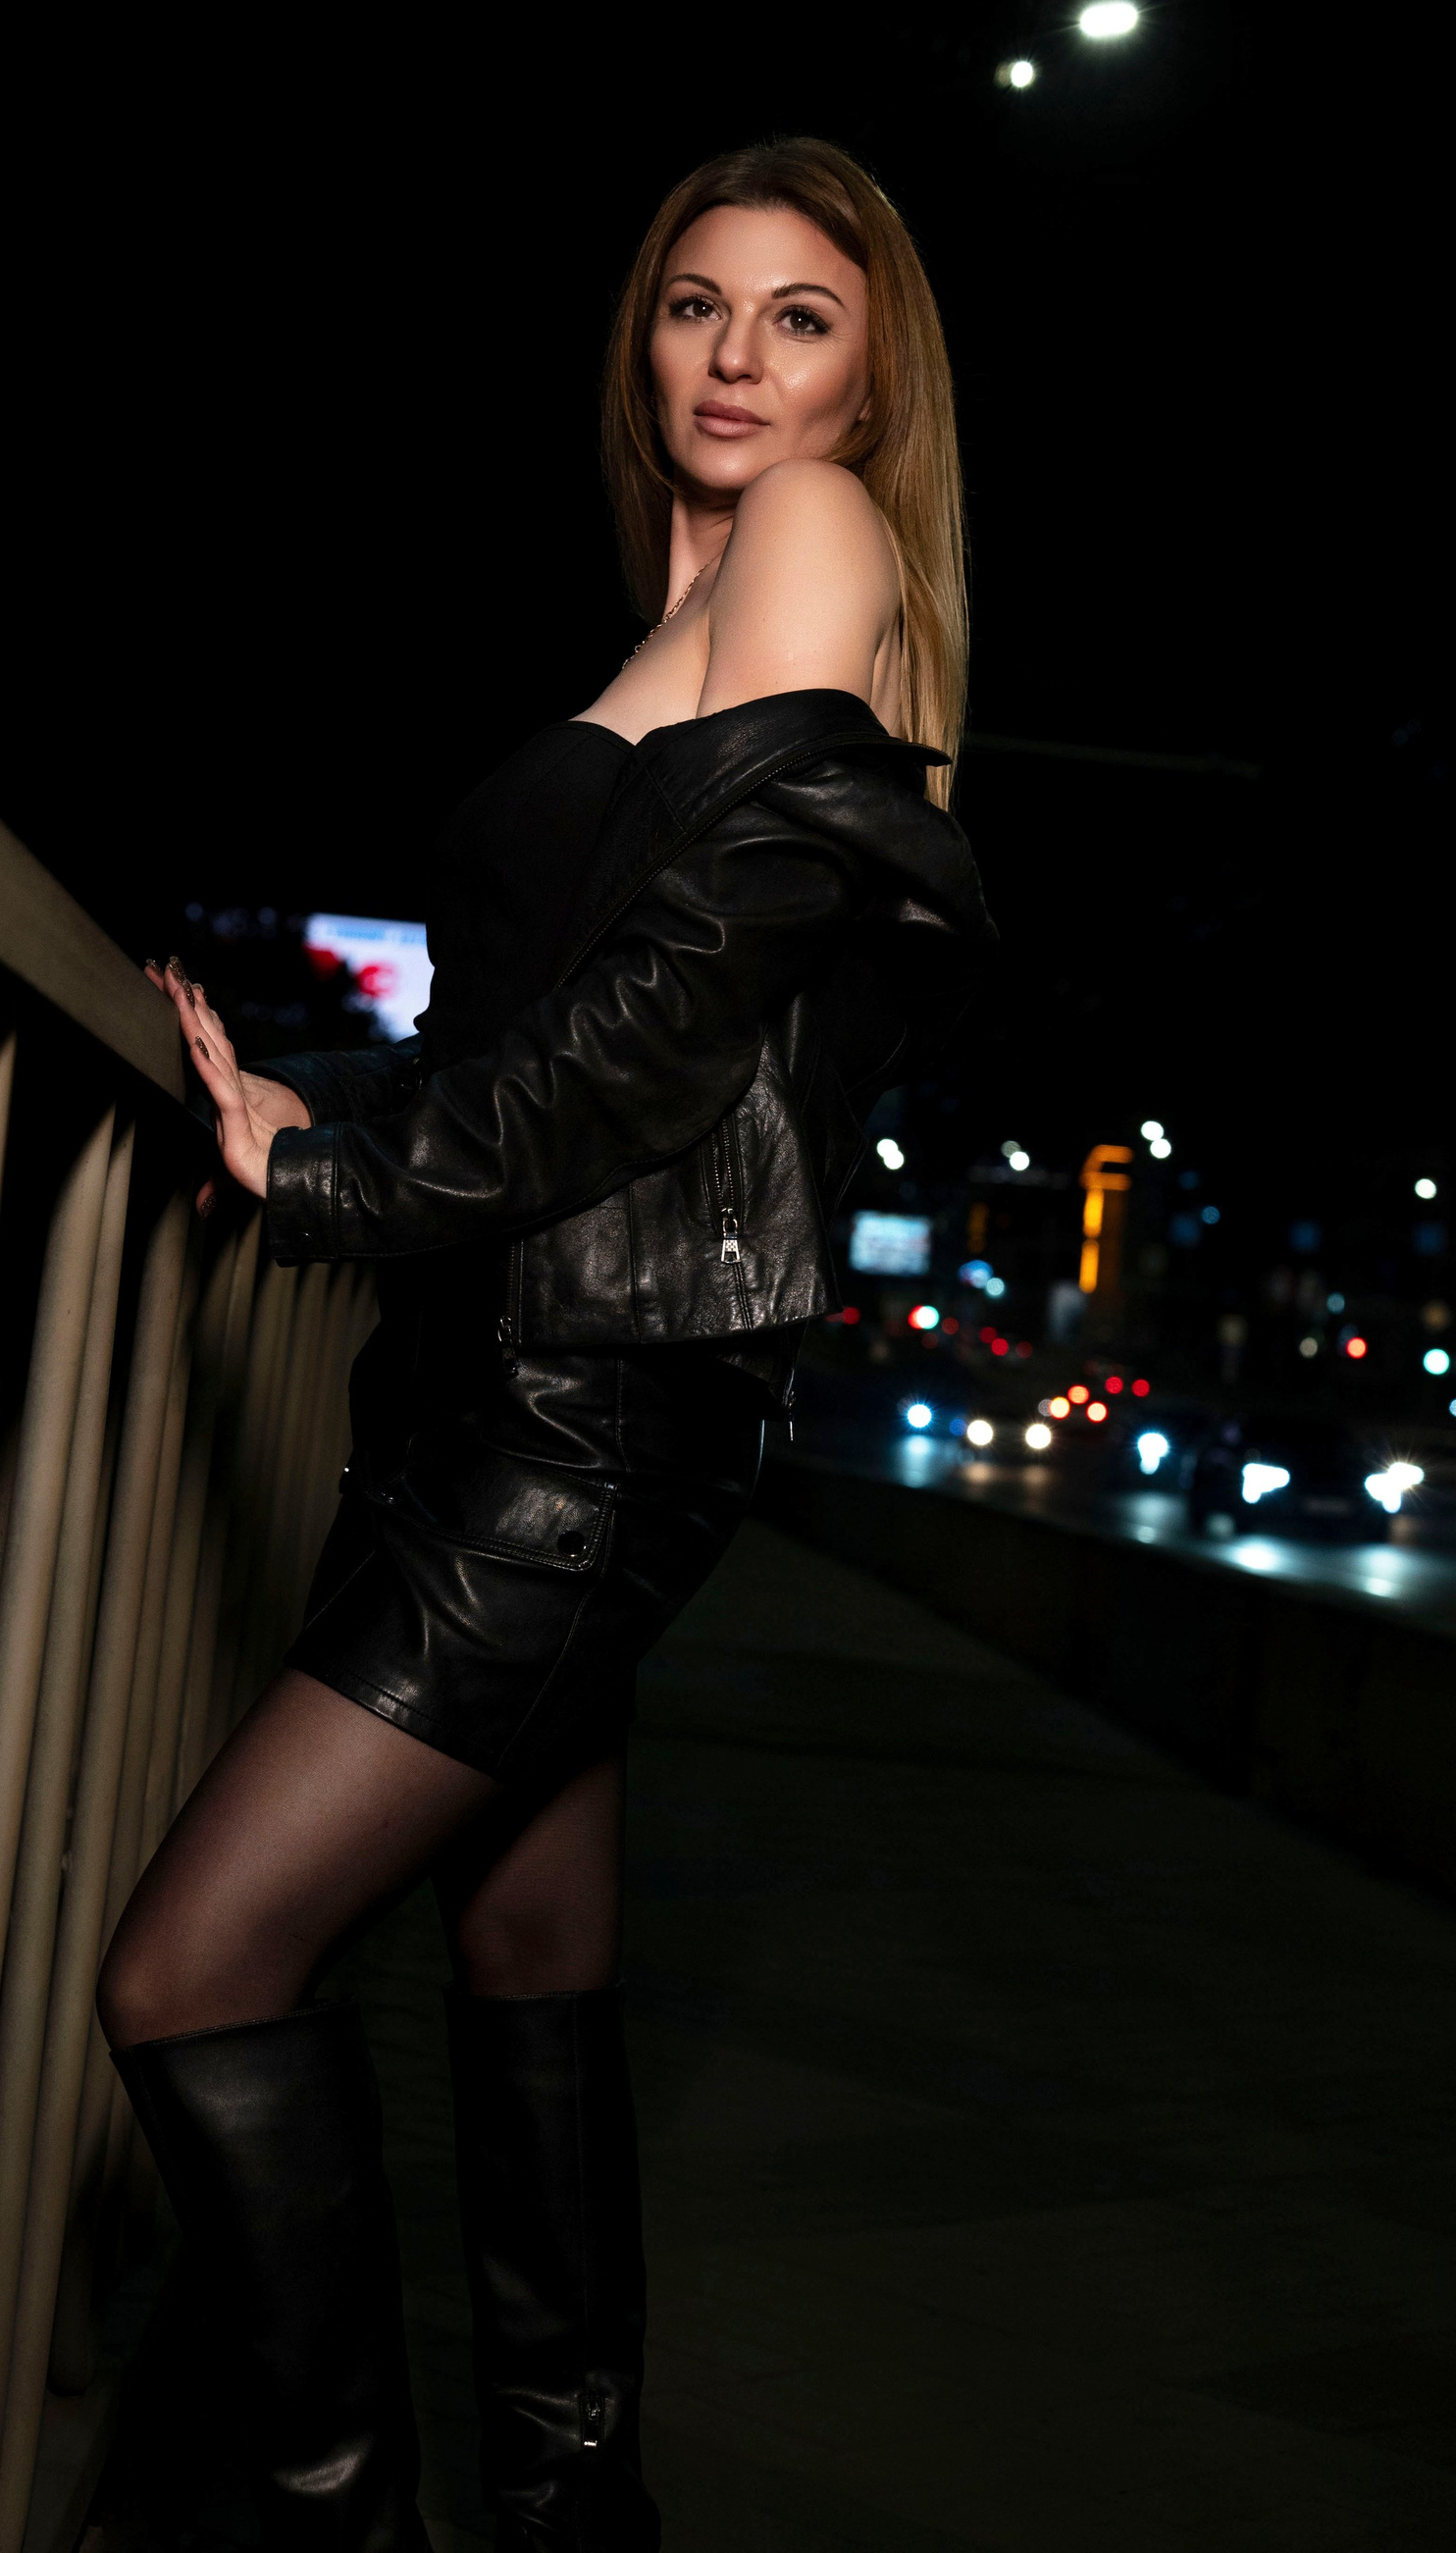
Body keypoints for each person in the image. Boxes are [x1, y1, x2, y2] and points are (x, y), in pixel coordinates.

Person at [98, 136, 995, 2550]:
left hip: (583, 1417)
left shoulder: (816, 536)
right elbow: (542, 1018)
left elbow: (680, 1022)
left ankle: (341, 2518)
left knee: (193, 1969)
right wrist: (318, 1101)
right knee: (526, 1945)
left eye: (800, 317)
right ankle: (573, 2513)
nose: (737, 357)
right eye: (697, 305)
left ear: (874, 373)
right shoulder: (692, 601)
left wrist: (334, 1183)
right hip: (519, 1377)